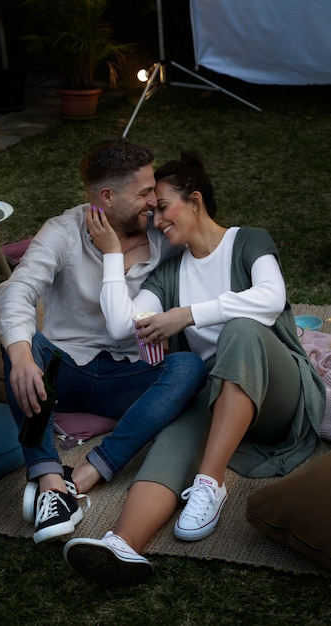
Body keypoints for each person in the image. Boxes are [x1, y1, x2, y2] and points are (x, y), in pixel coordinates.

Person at [63, 150, 326, 586]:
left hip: (280, 396)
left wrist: (186, 315)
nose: (157, 221)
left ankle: (210, 481)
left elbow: (271, 297)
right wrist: (112, 254)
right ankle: (123, 544)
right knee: (172, 433)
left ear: (195, 200)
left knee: (240, 331)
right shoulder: (169, 274)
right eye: (152, 213)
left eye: (163, 207)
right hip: (219, 400)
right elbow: (121, 326)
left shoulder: (249, 241)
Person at [0, 140, 208, 545]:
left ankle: (87, 473)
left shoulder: (161, 232)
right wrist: (21, 358)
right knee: (21, 343)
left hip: (130, 376)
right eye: (144, 192)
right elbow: (14, 292)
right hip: (66, 374)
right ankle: (51, 484)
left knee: (189, 368)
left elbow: (209, 254)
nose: (153, 199)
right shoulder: (63, 231)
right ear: (107, 197)